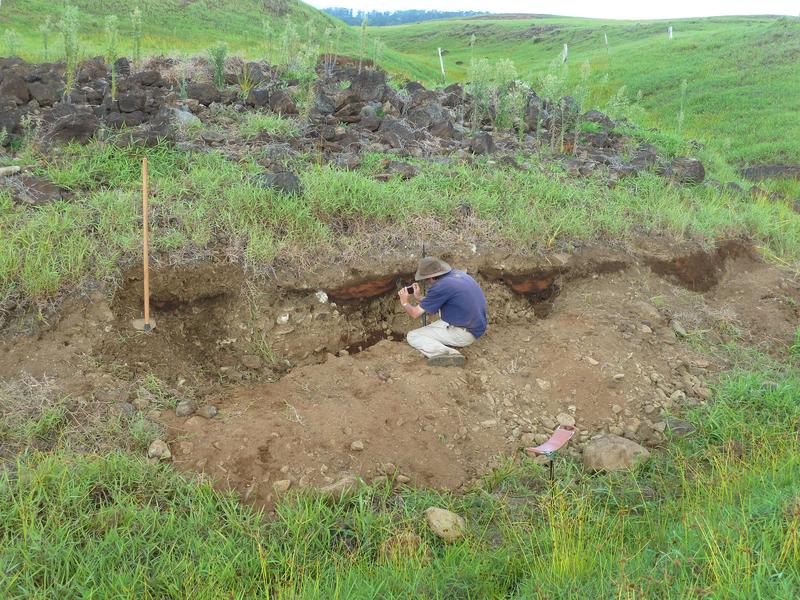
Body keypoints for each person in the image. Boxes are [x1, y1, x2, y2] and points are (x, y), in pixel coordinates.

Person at [398, 256, 488, 367]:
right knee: (429, 329)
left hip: (465, 333)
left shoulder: (440, 287)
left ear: (432, 277)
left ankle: (450, 355)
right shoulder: (458, 275)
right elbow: (436, 300)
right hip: (474, 325)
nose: (426, 282)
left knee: (413, 336)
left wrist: (404, 302)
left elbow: (414, 313)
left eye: (426, 279)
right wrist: (419, 297)